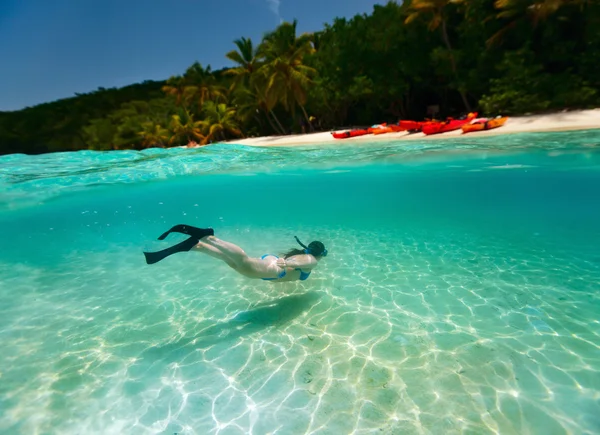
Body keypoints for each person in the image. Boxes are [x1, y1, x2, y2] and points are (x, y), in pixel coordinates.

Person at [143, 224, 327, 282]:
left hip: (271, 264)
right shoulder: (312, 260)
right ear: (320, 254)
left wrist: (288, 263)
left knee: (233, 262)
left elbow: (300, 261)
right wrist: (289, 264)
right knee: (243, 262)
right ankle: (209, 238)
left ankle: (197, 246)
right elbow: (305, 263)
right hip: (274, 269)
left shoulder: (304, 254)